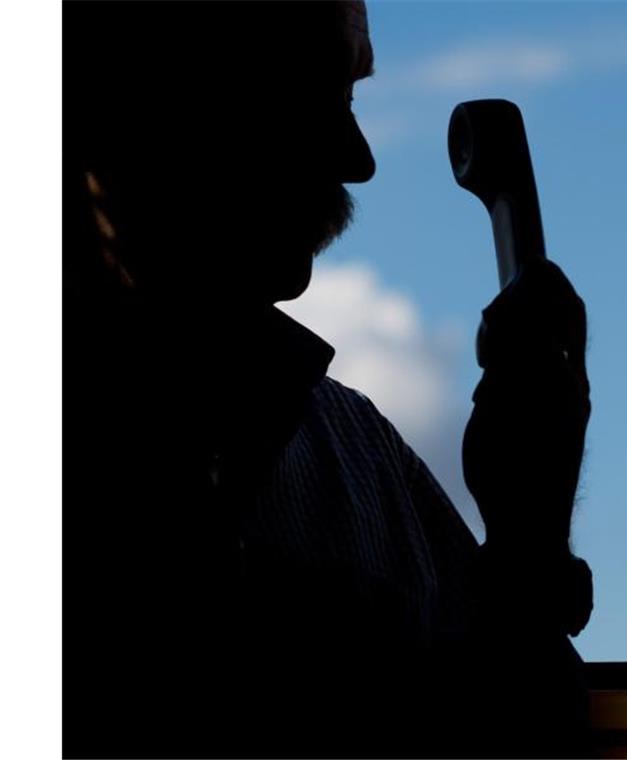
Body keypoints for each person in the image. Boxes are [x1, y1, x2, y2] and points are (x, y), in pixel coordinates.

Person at [63, 2, 593, 757]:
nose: (359, 156)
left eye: (350, 99)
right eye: (318, 96)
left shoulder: (357, 451)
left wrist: (526, 540)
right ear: (139, 99)